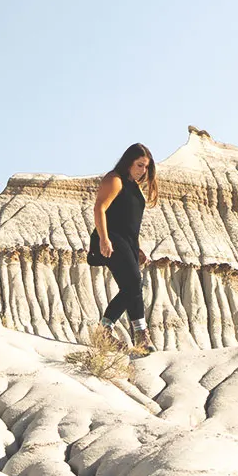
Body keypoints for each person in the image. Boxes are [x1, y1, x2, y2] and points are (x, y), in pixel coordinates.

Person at [88, 143, 159, 355]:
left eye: (146, 167)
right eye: (139, 165)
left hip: (127, 242)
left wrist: (137, 249)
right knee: (134, 283)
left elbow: (129, 220)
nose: (143, 171)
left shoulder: (133, 186)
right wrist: (104, 239)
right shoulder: (114, 180)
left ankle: (140, 336)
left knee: (133, 285)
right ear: (128, 162)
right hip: (112, 239)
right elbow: (99, 208)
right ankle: (105, 329)